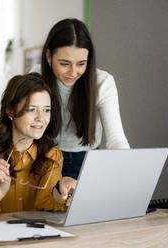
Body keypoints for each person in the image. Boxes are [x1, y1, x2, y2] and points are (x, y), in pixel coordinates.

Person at [0, 73, 76, 217]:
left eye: (46, 110)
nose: (41, 118)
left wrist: (60, 191)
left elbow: (46, 204)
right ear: (10, 110)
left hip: (36, 236)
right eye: (31, 109)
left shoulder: (53, 155)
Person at [31, 18, 130, 179]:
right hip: (45, 157)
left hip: (87, 161)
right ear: (49, 56)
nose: (73, 72)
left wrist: (127, 165)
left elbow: (116, 139)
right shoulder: (35, 78)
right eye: (64, 63)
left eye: (81, 64)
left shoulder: (103, 82)